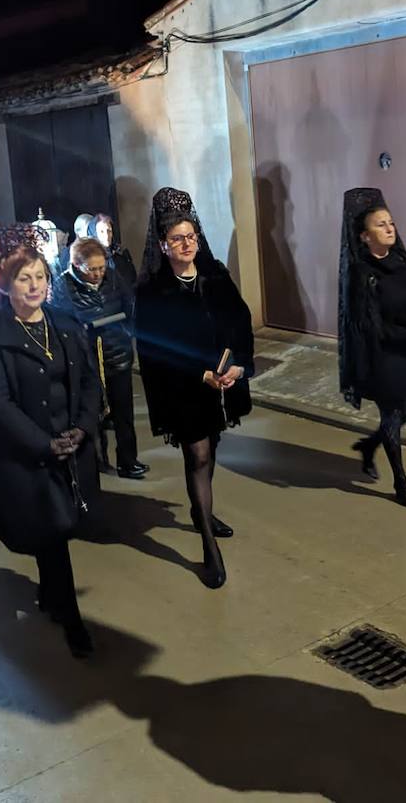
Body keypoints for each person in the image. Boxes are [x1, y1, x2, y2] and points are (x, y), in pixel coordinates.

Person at [0, 224, 102, 658]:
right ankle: (72, 620)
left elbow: (88, 382)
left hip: (71, 443)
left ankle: (51, 595)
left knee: (59, 529)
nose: (35, 286)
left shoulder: (64, 324)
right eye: (24, 278)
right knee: (55, 532)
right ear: (7, 285)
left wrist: (83, 427)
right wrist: (43, 445)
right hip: (32, 453)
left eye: (41, 277)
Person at [136, 187, 253, 589]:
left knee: (212, 447)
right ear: (163, 246)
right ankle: (207, 544)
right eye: (177, 240)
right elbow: (154, 349)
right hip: (182, 388)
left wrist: (238, 365)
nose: (187, 245)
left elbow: (240, 319)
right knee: (198, 455)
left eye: (191, 237)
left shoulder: (214, 274)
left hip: (221, 385)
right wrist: (197, 373)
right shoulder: (153, 291)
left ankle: (202, 510)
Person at [337, 189, 406, 508]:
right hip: (383, 354)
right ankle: (401, 483)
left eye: (391, 222)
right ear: (363, 236)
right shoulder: (362, 275)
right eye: (381, 225)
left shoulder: (401, 261)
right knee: (393, 414)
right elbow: (374, 327)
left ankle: (369, 446)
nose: (390, 228)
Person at [51, 237, 147, 479]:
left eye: (101, 267)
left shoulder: (113, 277)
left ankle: (128, 460)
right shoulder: (63, 286)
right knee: (93, 414)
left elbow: (129, 304)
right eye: (91, 269)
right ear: (77, 265)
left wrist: (127, 327)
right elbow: (64, 321)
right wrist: (85, 330)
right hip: (88, 361)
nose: (98, 274)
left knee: (123, 412)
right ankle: (97, 461)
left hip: (118, 354)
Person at [94, 212, 137, 293]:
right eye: (101, 232)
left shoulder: (121, 253)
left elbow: (132, 279)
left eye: (109, 231)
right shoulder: (92, 260)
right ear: (95, 234)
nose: (106, 236)